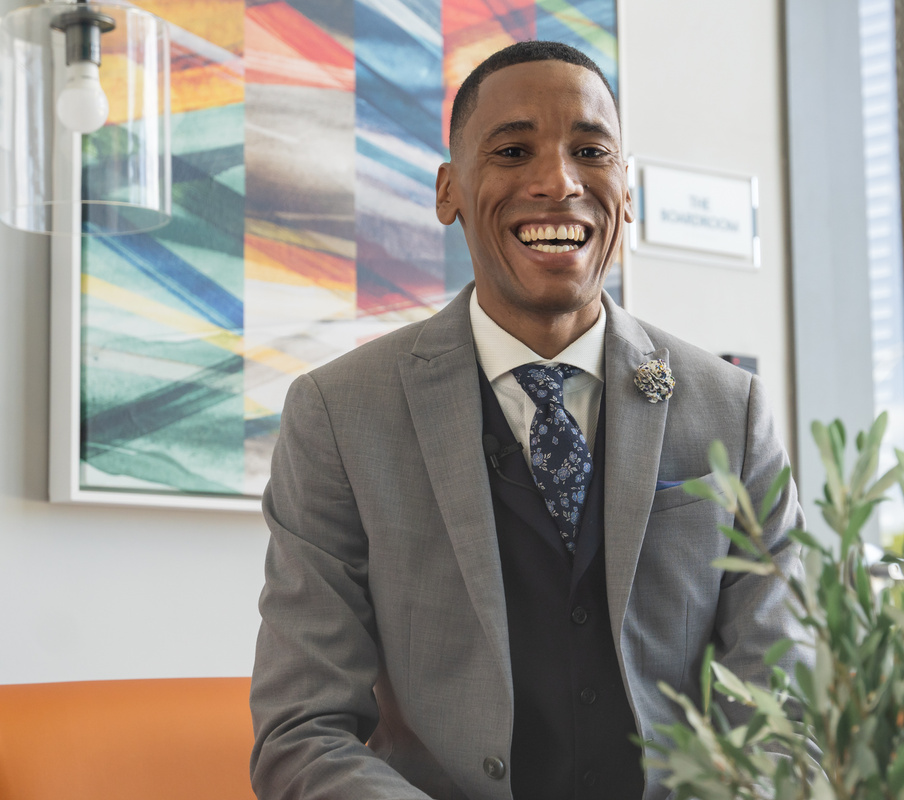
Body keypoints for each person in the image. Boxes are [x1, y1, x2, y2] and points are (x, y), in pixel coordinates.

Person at [250, 40, 808, 800]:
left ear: (626, 190)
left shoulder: (731, 412)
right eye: (514, 151)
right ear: (449, 191)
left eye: (591, 151)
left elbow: (785, 711)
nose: (557, 180)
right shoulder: (339, 417)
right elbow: (303, 731)